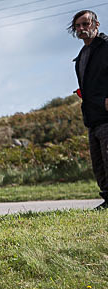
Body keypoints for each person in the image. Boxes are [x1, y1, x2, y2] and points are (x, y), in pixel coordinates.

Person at [71, 9, 108, 209]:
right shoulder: (83, 54)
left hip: (106, 115)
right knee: (99, 162)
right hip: (92, 116)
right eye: (78, 26)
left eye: (85, 24)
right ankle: (107, 200)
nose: (82, 29)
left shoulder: (105, 46)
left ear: (96, 24)